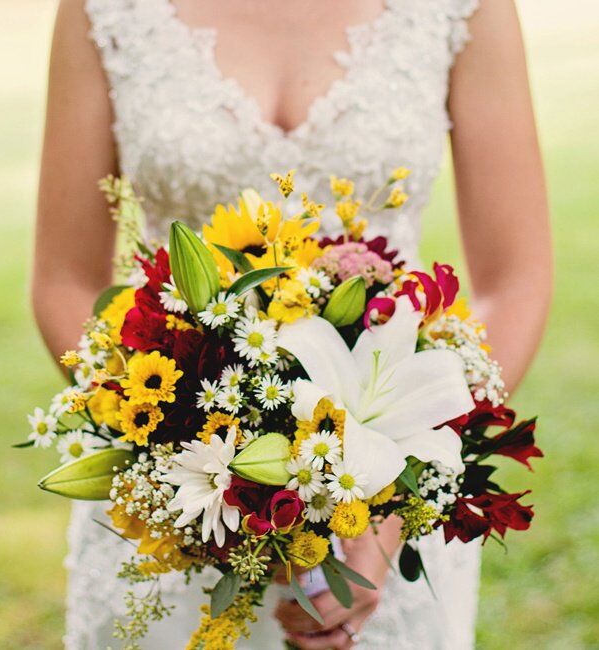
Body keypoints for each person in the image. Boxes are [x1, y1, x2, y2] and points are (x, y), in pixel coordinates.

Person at [32, 1, 552, 648]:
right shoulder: (106, 9)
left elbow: (514, 282)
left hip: (387, 506)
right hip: (175, 496)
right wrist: (197, 473)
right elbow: (65, 282)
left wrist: (387, 502)